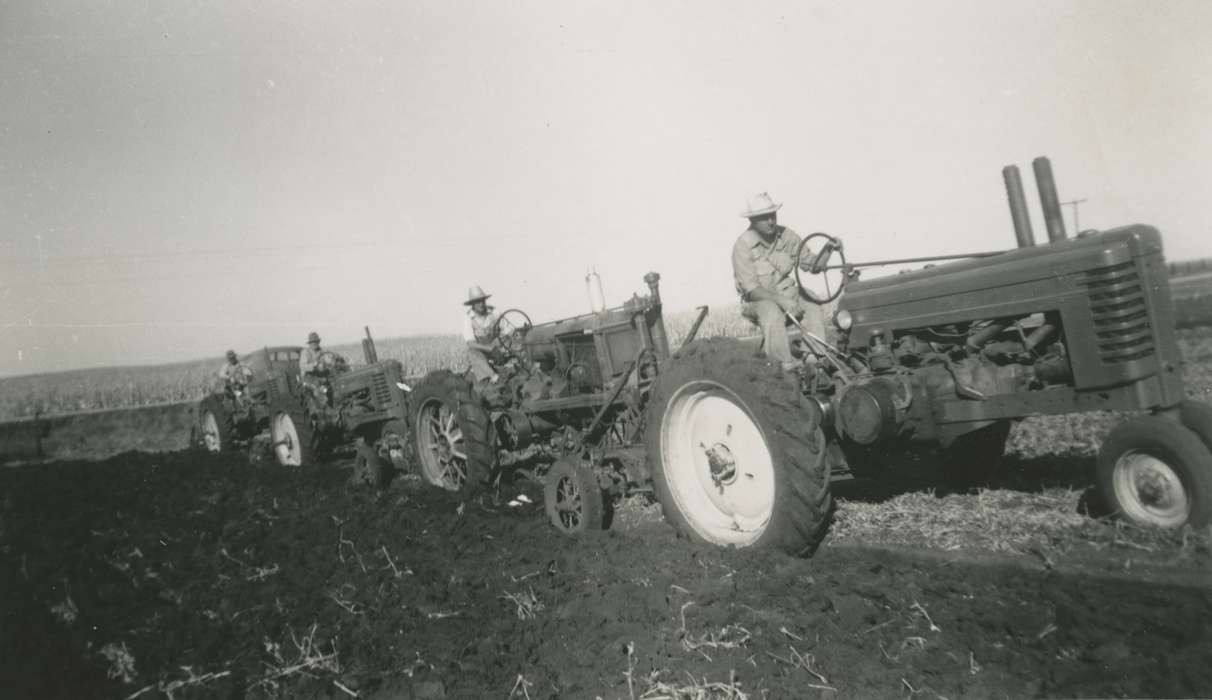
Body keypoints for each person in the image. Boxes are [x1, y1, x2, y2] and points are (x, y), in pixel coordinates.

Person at [731, 192, 828, 369]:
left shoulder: (786, 236)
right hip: (758, 302)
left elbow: (812, 265)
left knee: (810, 298)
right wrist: (782, 301)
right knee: (771, 311)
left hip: (787, 295)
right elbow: (752, 291)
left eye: (772, 215)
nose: (771, 221)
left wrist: (829, 249)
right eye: (764, 217)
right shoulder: (742, 246)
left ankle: (814, 358)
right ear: (752, 220)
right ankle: (782, 365)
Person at [462, 285, 500, 382]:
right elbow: (471, 343)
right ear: (473, 304)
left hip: (496, 347)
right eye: (478, 302)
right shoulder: (468, 319)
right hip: (482, 351)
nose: (481, 304)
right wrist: (488, 348)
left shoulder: (494, 312)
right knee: (472, 352)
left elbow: (506, 330)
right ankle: (493, 377)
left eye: (483, 300)